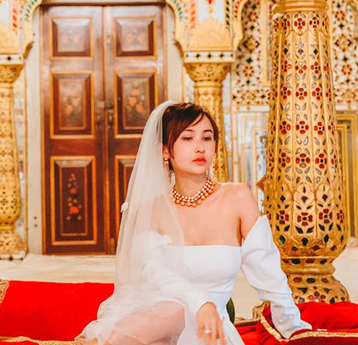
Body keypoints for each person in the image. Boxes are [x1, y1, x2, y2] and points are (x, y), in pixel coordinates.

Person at [77, 101, 311, 345]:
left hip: (208, 331)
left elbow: (268, 272)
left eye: (207, 138)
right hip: (157, 323)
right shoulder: (152, 210)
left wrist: (294, 329)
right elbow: (156, 275)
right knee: (172, 310)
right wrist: (200, 302)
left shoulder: (237, 198)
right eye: (187, 138)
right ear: (165, 151)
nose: (200, 147)